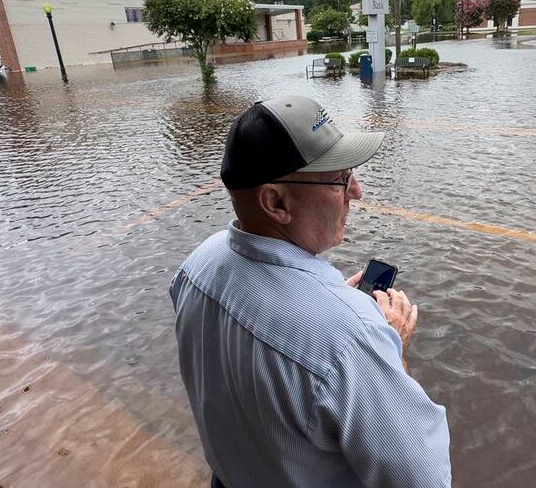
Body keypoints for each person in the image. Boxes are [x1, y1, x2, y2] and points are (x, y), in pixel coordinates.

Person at [170, 95, 451, 487]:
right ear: (276, 202)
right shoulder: (351, 338)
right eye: (340, 179)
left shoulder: (197, 265)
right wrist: (392, 348)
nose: (357, 191)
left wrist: (335, 299)